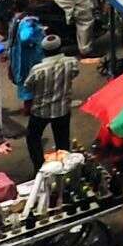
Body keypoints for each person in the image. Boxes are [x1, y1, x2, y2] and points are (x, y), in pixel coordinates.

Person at [24, 30, 79, 167]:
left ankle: (39, 167)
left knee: (33, 138)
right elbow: (74, 74)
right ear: (60, 48)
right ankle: (64, 168)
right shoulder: (71, 62)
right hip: (62, 109)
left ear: (43, 50)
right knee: (62, 141)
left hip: (40, 110)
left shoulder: (38, 69)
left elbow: (28, 86)